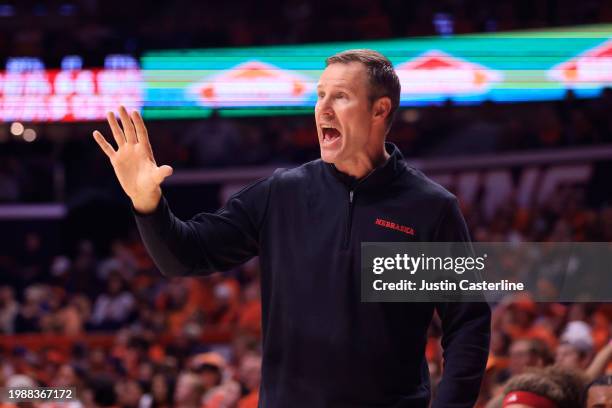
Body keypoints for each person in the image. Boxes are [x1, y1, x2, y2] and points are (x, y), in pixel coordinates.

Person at [92, 49, 491, 407]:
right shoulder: (282, 193)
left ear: (379, 110)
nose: (323, 109)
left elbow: (467, 322)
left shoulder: (429, 207)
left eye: (341, 96)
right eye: (320, 95)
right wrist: (147, 202)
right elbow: (183, 257)